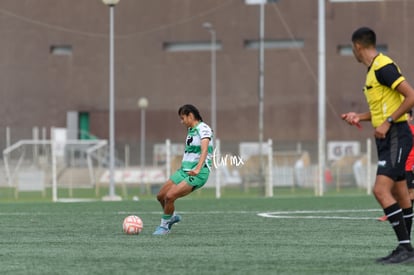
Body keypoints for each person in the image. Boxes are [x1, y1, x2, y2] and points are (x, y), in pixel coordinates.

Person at [341, 27, 414, 264]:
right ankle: (407, 250)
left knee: (381, 191)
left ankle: (405, 248)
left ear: (358, 46)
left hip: (396, 135)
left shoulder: (383, 67)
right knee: (401, 193)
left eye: (352, 48)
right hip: (389, 136)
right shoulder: (372, 70)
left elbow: (411, 96)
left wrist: (389, 122)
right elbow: (381, 111)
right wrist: (359, 117)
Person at [153, 104, 213, 235]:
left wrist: (197, 169)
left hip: (199, 172)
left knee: (169, 197)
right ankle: (172, 216)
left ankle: (164, 226)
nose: (182, 122)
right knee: (161, 196)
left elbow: (204, 150)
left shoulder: (204, 128)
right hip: (184, 171)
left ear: (190, 116)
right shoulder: (192, 130)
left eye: (182, 118)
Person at [378, 110, 414, 223]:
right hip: (398, 164)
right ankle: (393, 211)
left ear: (411, 118)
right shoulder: (396, 132)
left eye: (406, 116)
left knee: (410, 192)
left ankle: (394, 212)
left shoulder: (411, 131)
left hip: (410, 166)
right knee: (392, 190)